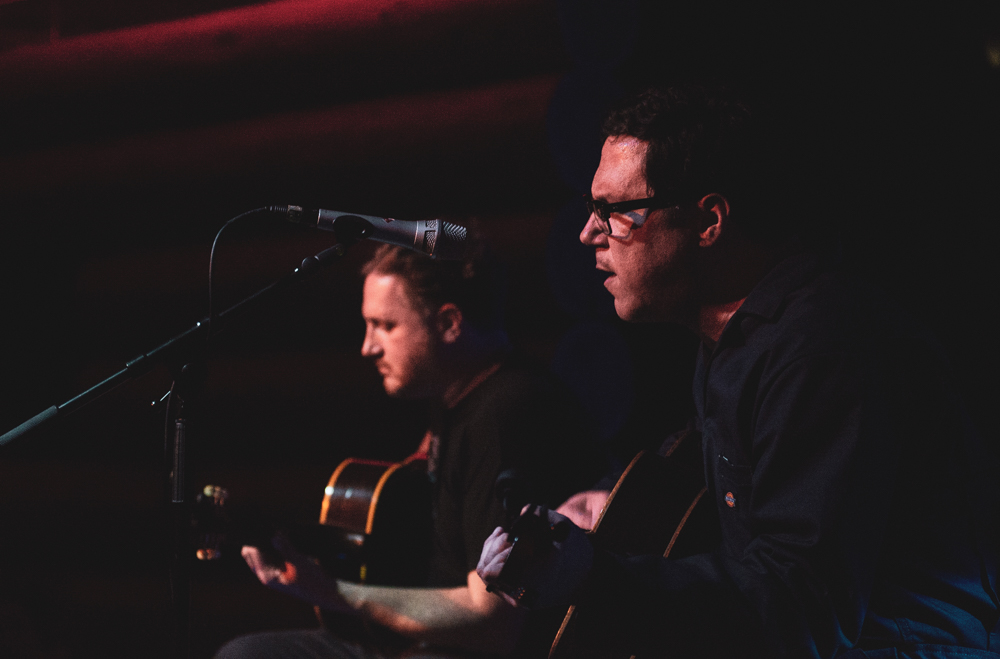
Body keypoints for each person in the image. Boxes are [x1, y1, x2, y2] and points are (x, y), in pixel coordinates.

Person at [477, 85, 999, 658]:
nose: (589, 233)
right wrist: (604, 504)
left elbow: (802, 604)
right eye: (590, 207)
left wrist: (592, 575)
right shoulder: (736, 340)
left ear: (708, 221)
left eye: (618, 212)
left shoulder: (819, 346)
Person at [216, 241, 605, 659]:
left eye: (385, 325)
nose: (368, 347)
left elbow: (492, 619)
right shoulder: (455, 400)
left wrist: (332, 591)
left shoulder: (505, 415)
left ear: (450, 323)